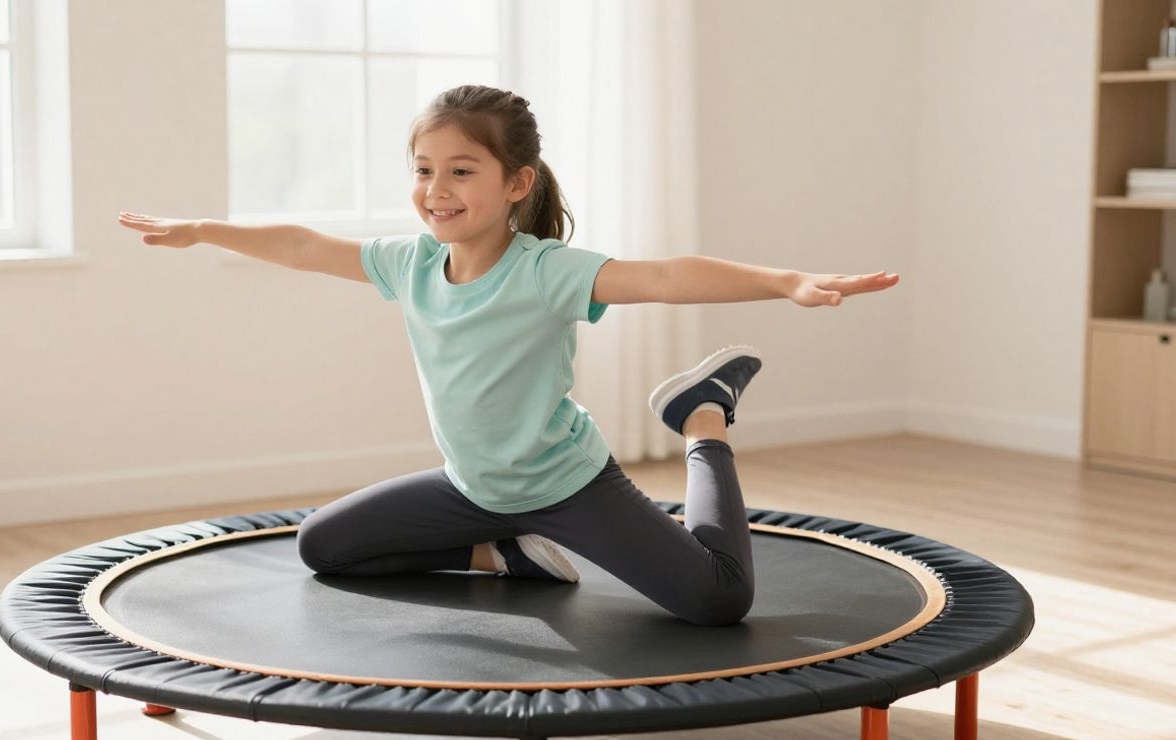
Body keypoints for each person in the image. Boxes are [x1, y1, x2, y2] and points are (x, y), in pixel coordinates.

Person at [117, 84, 898, 626]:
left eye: (461, 171)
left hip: (567, 485)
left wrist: (787, 280)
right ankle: (509, 555)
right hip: (473, 489)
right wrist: (203, 229)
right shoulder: (410, 264)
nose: (436, 189)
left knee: (719, 601)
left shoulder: (545, 271)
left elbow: (662, 276)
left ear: (516, 181)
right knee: (324, 544)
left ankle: (702, 419)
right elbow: (301, 243)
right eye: (424, 171)